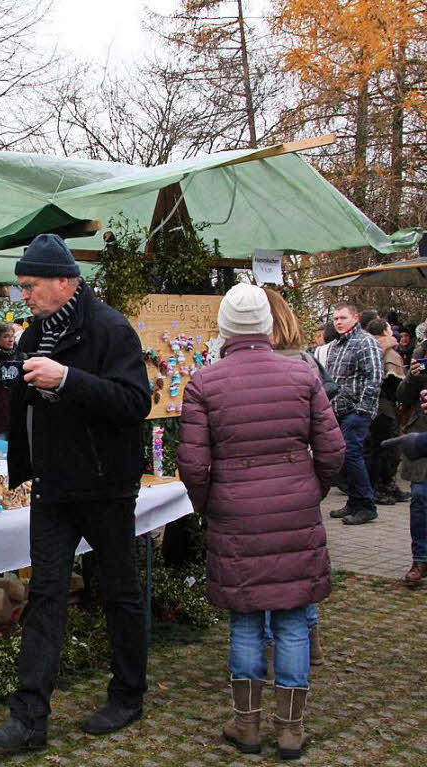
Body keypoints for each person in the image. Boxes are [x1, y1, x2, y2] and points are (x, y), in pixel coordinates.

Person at [0, 234, 151, 753]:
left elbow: (133, 403)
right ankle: (29, 719)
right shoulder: (33, 336)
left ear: (64, 281)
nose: (23, 295)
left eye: (30, 286)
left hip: (106, 487)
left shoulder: (110, 328)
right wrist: (24, 469)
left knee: (118, 591)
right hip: (53, 490)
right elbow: (27, 409)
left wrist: (69, 378)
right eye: (21, 286)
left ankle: (127, 695)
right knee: (46, 594)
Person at [177, 284, 344, 761]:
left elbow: (192, 465)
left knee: (246, 621)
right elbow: (333, 450)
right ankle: (291, 731)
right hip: (294, 509)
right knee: (292, 620)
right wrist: (311, 490)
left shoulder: (205, 383)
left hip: (235, 513)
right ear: (267, 327)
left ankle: (246, 728)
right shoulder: (301, 375)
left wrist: (212, 503)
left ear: (225, 328)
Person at [262, 288, 328, 665]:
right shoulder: (307, 364)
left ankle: (272, 647)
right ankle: (311, 640)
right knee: (300, 569)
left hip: (255, 489)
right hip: (300, 484)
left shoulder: (246, 368)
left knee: (267, 570)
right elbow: (327, 438)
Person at [325, 301, 383, 525]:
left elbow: (375, 377)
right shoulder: (337, 345)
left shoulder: (365, 342)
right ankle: (355, 501)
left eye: (343, 318)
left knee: (351, 454)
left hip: (356, 411)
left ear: (356, 318)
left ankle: (367, 505)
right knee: (344, 457)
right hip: (338, 410)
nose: (339, 322)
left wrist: (363, 409)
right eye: (336, 318)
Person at [393, 344, 427, 587]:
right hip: (421, 441)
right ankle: (420, 559)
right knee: (420, 497)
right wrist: (414, 378)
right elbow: (401, 395)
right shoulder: (421, 353)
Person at [365, 318, 408, 505]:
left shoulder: (370, 348)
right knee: (384, 448)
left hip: (377, 405)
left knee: (380, 447)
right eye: (389, 328)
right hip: (384, 406)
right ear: (384, 331)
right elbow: (394, 383)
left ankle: (386, 485)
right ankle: (379, 487)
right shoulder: (387, 351)